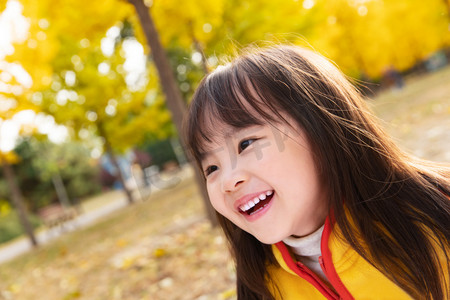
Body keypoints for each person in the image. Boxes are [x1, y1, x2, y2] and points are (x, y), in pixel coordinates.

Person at [184, 45, 449, 300]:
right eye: (211, 168)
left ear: (320, 128)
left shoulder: (432, 222)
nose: (228, 181)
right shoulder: (263, 283)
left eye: (246, 144)